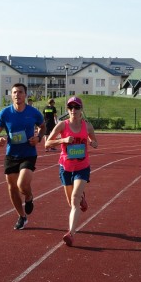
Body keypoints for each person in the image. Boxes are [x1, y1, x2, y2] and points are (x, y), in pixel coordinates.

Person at [45, 96, 98, 246]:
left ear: (81, 109)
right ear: (67, 110)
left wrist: (93, 143)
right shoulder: (62, 125)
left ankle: (71, 233)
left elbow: (95, 141)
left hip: (82, 167)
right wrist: (63, 140)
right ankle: (82, 198)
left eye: (76, 107)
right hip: (66, 167)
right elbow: (47, 144)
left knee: (74, 199)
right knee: (71, 202)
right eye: (70, 107)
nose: (73, 110)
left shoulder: (87, 126)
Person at [0, 83, 46, 230]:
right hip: (11, 154)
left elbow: (43, 126)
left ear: (25, 95)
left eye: (20, 92)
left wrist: (38, 138)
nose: (17, 95)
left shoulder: (33, 112)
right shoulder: (5, 113)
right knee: (12, 187)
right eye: (15, 92)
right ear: (11, 95)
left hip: (28, 153)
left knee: (22, 185)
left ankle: (29, 196)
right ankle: (22, 216)